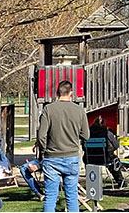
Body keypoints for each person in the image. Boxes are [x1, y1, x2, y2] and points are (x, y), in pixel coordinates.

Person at [37, 80, 90, 213]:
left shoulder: (48, 109)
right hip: (71, 156)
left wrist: (43, 151)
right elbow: (86, 135)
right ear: (71, 93)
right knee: (72, 197)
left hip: (52, 157)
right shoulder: (79, 110)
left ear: (57, 93)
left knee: (50, 197)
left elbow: (41, 135)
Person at [87, 116, 125, 187]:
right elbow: (116, 145)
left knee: (111, 160)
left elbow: (83, 146)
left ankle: (92, 182)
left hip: (89, 159)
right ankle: (120, 181)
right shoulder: (107, 133)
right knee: (114, 161)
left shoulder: (88, 133)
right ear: (103, 124)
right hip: (105, 158)